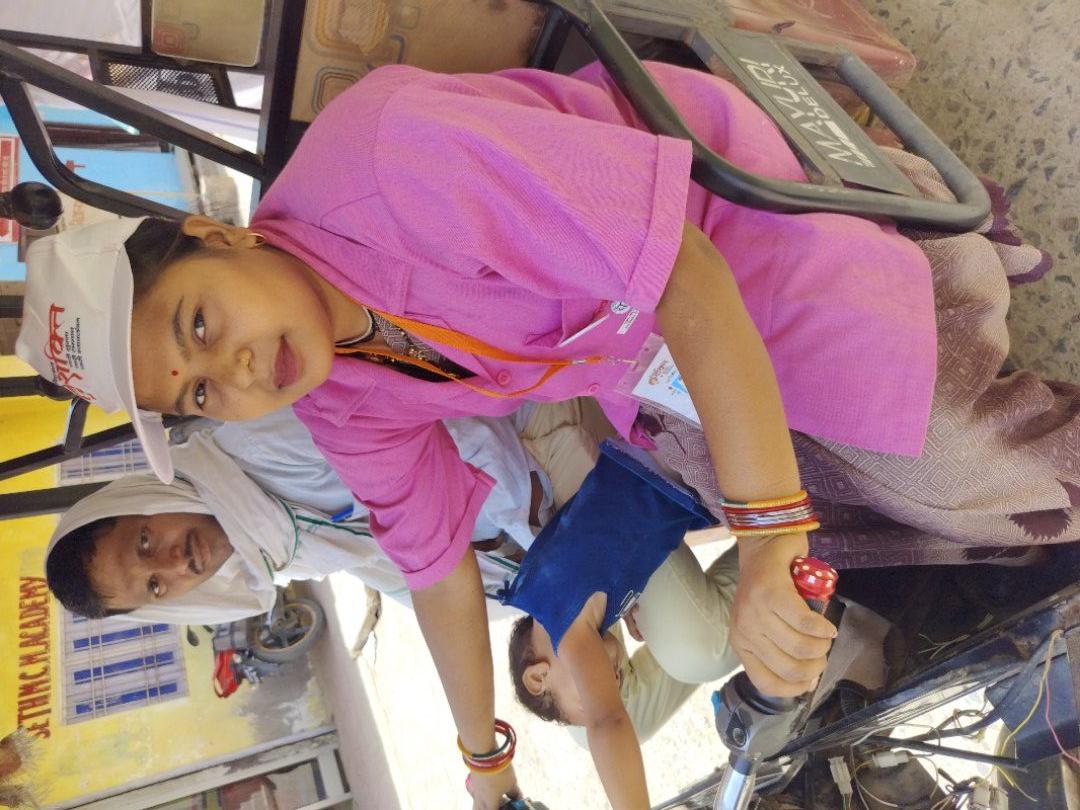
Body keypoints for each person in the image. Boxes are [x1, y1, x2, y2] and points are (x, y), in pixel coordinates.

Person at [16, 59, 1078, 808]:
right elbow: (434, 565)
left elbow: (687, 274)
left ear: (216, 234)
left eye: (199, 327)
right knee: (811, 500)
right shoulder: (333, 394)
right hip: (637, 359)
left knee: (931, 462)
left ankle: (940, 251)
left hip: (716, 232)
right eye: (201, 394)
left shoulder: (390, 166)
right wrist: (484, 761)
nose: (238, 374)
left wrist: (766, 535)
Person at [44, 406, 553, 623]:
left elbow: (460, 434)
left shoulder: (261, 444)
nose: (175, 563)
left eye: (145, 542)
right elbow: (393, 566)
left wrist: (533, 537)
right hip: (530, 512)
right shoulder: (274, 550)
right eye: (156, 586)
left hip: (529, 438)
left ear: (141, 502)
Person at [501, 441, 738, 808]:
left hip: (672, 456)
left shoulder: (566, 627)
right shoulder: (545, 593)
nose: (610, 685)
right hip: (663, 465)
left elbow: (608, 721)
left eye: (588, 697)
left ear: (538, 676)